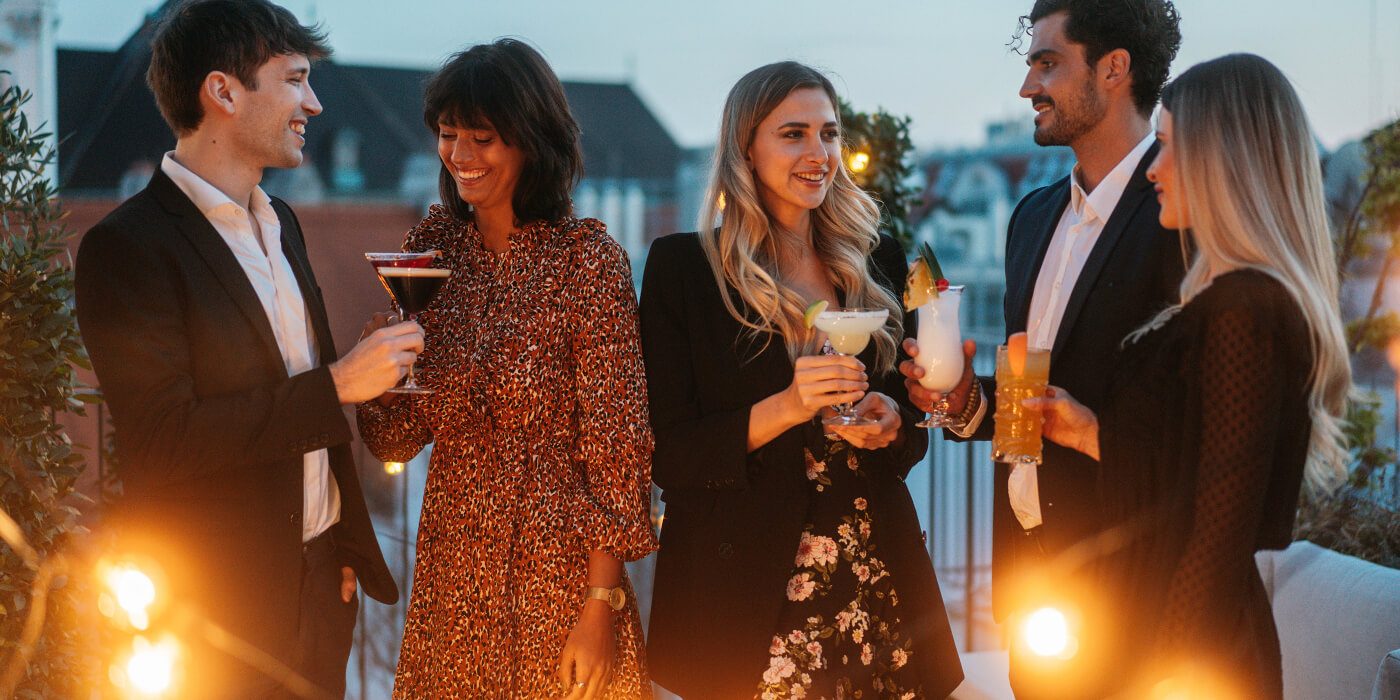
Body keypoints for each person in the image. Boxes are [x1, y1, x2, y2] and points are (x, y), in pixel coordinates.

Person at [74, 1, 414, 697]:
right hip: (213, 620)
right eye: (294, 80)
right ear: (223, 91)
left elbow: (287, 389)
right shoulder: (125, 248)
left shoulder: (282, 222)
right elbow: (165, 439)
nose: (314, 104)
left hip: (321, 601)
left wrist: (335, 555)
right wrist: (338, 386)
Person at [1029, 53, 1351, 699]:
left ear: (1222, 159)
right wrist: (1092, 433)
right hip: (1157, 632)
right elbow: (1191, 477)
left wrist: (1170, 667)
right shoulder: (1232, 301)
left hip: (1184, 649)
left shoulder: (1244, 311)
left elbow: (1218, 530)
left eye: (1169, 146)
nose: (1153, 169)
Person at [642, 61, 963, 700]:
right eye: (793, 134)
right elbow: (669, 455)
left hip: (876, 579)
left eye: (829, 133)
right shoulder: (684, 269)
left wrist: (892, 421)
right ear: (745, 148)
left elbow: (909, 427)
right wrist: (790, 406)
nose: (818, 153)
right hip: (746, 598)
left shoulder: (877, 257)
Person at [354, 39, 656, 699]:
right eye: (448, 133)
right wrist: (383, 374)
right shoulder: (431, 251)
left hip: (560, 582)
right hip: (453, 579)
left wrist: (600, 606)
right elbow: (395, 439)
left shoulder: (588, 261)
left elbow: (618, 449)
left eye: (483, 137)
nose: (460, 156)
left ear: (531, 141)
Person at [900, 0, 1184, 696]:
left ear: (1115, 68)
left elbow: (1202, 420)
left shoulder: (1185, 213)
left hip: (1139, 595)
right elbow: (1030, 410)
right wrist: (967, 399)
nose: (1028, 87)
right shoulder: (1031, 219)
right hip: (1036, 596)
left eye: (1047, 63)